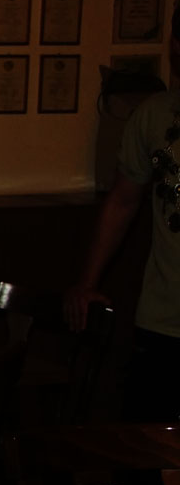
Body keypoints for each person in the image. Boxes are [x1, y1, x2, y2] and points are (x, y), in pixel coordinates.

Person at [66, 25, 180, 422]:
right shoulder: (154, 115)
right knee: (148, 444)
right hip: (164, 321)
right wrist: (87, 283)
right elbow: (122, 201)